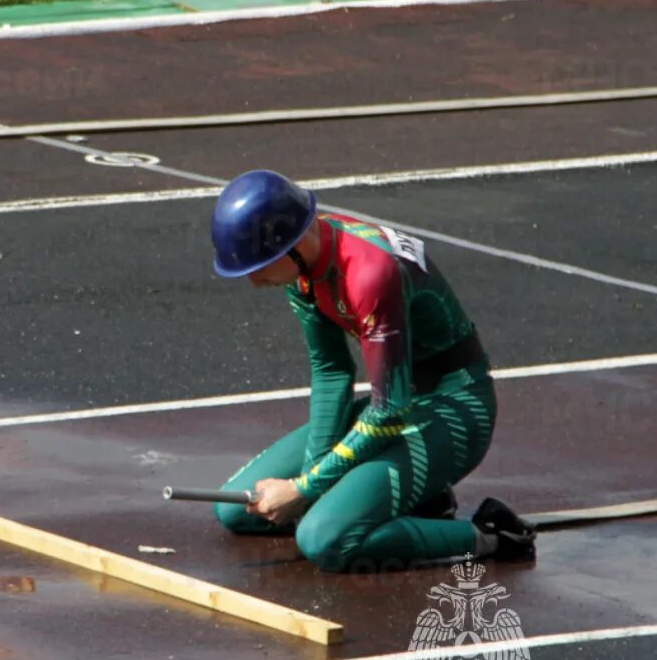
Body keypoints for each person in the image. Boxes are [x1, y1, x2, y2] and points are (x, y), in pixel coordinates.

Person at [206, 170, 535, 572]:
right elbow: (331, 372)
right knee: (236, 510)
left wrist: (304, 487)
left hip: (454, 410)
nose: (255, 282)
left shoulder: (371, 273)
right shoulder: (303, 269)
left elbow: (388, 410)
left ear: (288, 246)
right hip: (400, 407)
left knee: (322, 538)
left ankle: (491, 536)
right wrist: (311, 477)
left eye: (258, 268)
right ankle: (420, 499)